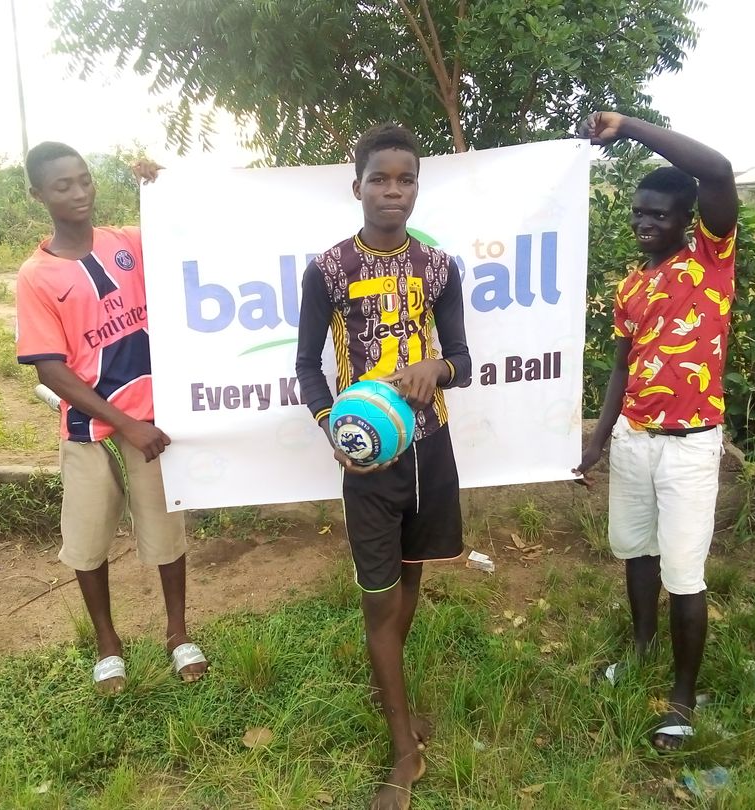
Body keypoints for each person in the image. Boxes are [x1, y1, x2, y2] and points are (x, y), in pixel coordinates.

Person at [295, 123, 471, 810]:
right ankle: (404, 749)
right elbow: (307, 366)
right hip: (367, 461)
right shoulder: (329, 269)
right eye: (380, 179)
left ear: (417, 187)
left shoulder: (440, 268)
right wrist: (329, 427)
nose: (393, 190)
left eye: (406, 179)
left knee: (410, 582)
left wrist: (437, 367)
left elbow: (462, 359)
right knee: (378, 596)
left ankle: (389, 691)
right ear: (357, 187)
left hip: (430, 451)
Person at [15, 141, 207, 692]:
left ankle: (177, 633)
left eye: (84, 179)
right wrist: (124, 424)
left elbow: (187, 235)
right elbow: (51, 370)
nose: (79, 193)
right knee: (87, 540)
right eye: (62, 186)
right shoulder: (36, 275)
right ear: (38, 195)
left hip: (152, 418)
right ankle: (108, 643)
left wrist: (163, 187)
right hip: (92, 428)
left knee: (165, 528)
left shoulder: (128, 242)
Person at [573, 112, 738, 751]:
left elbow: (717, 170)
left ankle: (682, 699)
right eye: (639, 213)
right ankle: (641, 649)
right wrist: (598, 441)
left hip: (689, 446)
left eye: (659, 214)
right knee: (636, 554)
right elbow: (622, 366)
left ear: (687, 219)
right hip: (634, 442)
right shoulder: (632, 286)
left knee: (684, 573)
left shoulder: (712, 258)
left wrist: (629, 127)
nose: (645, 223)